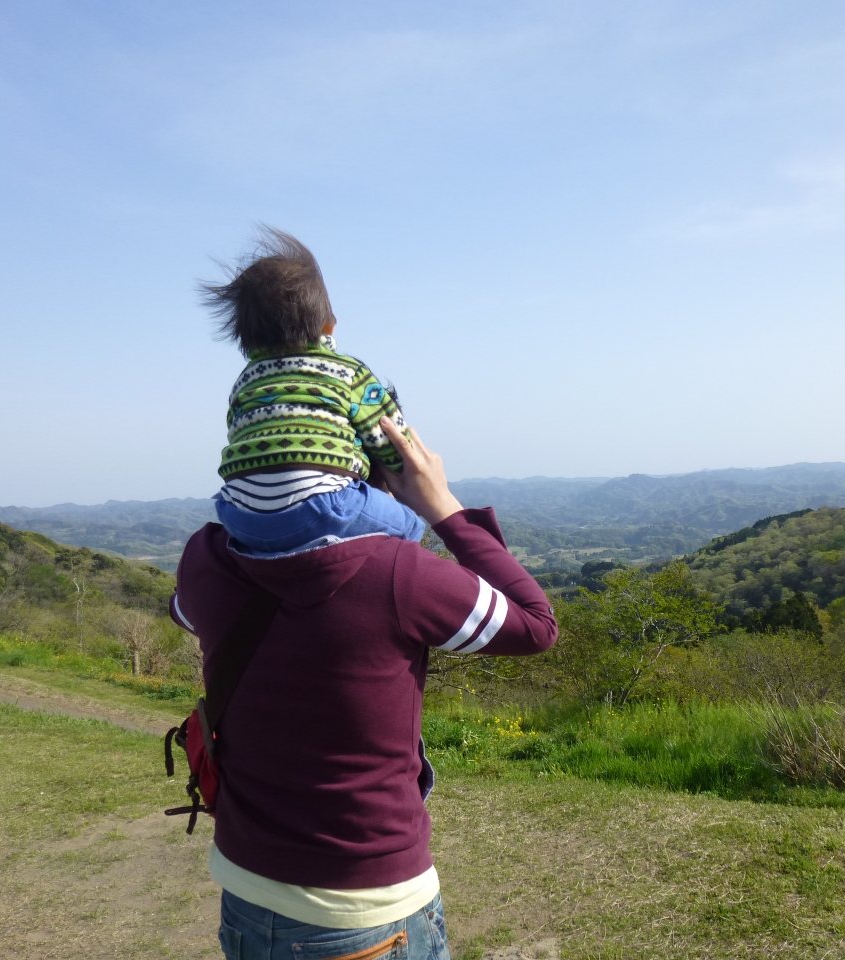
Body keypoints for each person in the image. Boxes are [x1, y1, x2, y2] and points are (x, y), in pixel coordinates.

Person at [171, 232, 558, 960]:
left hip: (247, 891)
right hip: (365, 916)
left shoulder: (206, 564)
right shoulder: (397, 576)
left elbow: (186, 611)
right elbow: (536, 625)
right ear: (330, 326)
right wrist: (442, 509)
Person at [203, 228, 425, 559]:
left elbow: (240, 433)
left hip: (238, 515)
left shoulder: (244, 383)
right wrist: (407, 480)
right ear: (329, 326)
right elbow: (391, 441)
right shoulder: (347, 371)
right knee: (410, 526)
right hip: (323, 506)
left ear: (244, 337)